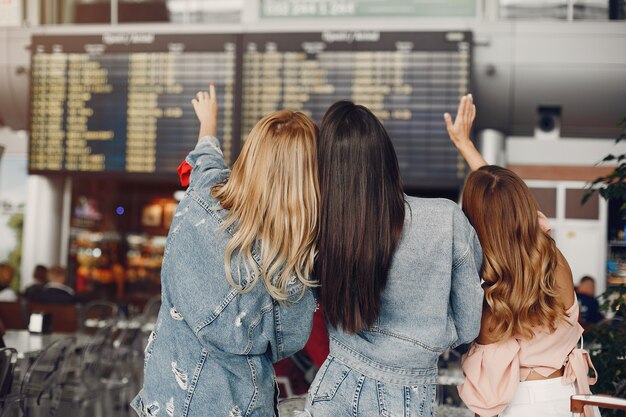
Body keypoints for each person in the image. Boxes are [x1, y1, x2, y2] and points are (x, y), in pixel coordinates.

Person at [131, 85, 320, 417]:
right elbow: (287, 341)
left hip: (165, 398)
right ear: (305, 181)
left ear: (250, 156)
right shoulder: (288, 260)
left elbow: (205, 160)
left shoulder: (202, 194)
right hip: (238, 403)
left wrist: (208, 122)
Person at [302, 101, 483, 416]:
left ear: (326, 168)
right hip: (408, 397)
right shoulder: (445, 219)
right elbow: (470, 324)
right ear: (386, 155)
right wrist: (434, 333)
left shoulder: (319, 229)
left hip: (333, 386)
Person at [449, 95, 598, 417]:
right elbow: (505, 205)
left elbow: (486, 399)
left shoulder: (493, 304)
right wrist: (466, 146)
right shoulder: (553, 259)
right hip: (572, 399)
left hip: (522, 404)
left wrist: (464, 145)